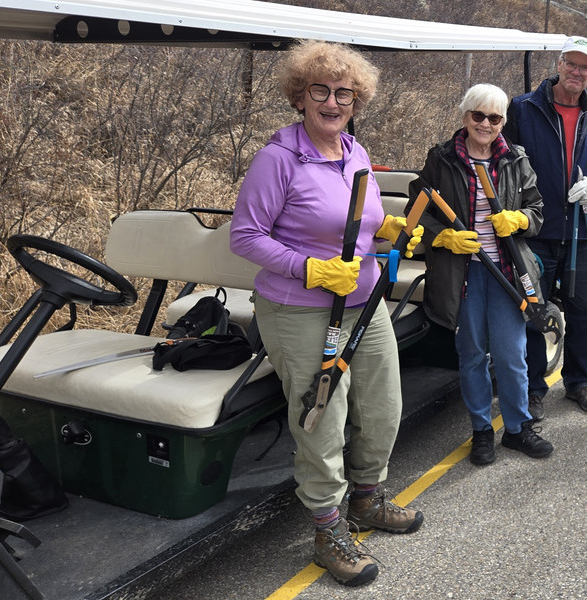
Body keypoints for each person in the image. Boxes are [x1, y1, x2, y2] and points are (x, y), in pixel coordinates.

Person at [230, 40, 424, 587]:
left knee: (384, 405)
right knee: (323, 417)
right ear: (301, 96)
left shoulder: (353, 150)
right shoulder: (279, 158)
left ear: (356, 100)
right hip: (300, 308)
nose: (332, 102)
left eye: (344, 93)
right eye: (321, 91)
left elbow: (361, 216)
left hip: (365, 301)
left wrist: (384, 228)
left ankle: (367, 499)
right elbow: (245, 237)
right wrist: (308, 269)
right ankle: (327, 528)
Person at [411, 83, 553, 466]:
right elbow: (417, 210)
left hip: (507, 272)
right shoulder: (440, 159)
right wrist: (445, 237)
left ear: (503, 121)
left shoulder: (516, 159)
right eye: (478, 115)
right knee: (472, 355)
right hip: (463, 274)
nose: (486, 124)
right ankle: (480, 431)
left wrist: (520, 218)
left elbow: (537, 209)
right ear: (465, 116)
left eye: (495, 117)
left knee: (511, 356)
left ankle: (518, 428)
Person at [502, 36, 587, 418]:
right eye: (572, 63)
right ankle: (533, 388)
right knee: (534, 312)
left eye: (585, 67)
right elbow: (502, 162)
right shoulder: (522, 108)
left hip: (581, 232)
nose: (577, 72)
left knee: (584, 312)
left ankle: (579, 383)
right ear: (559, 63)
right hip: (534, 232)